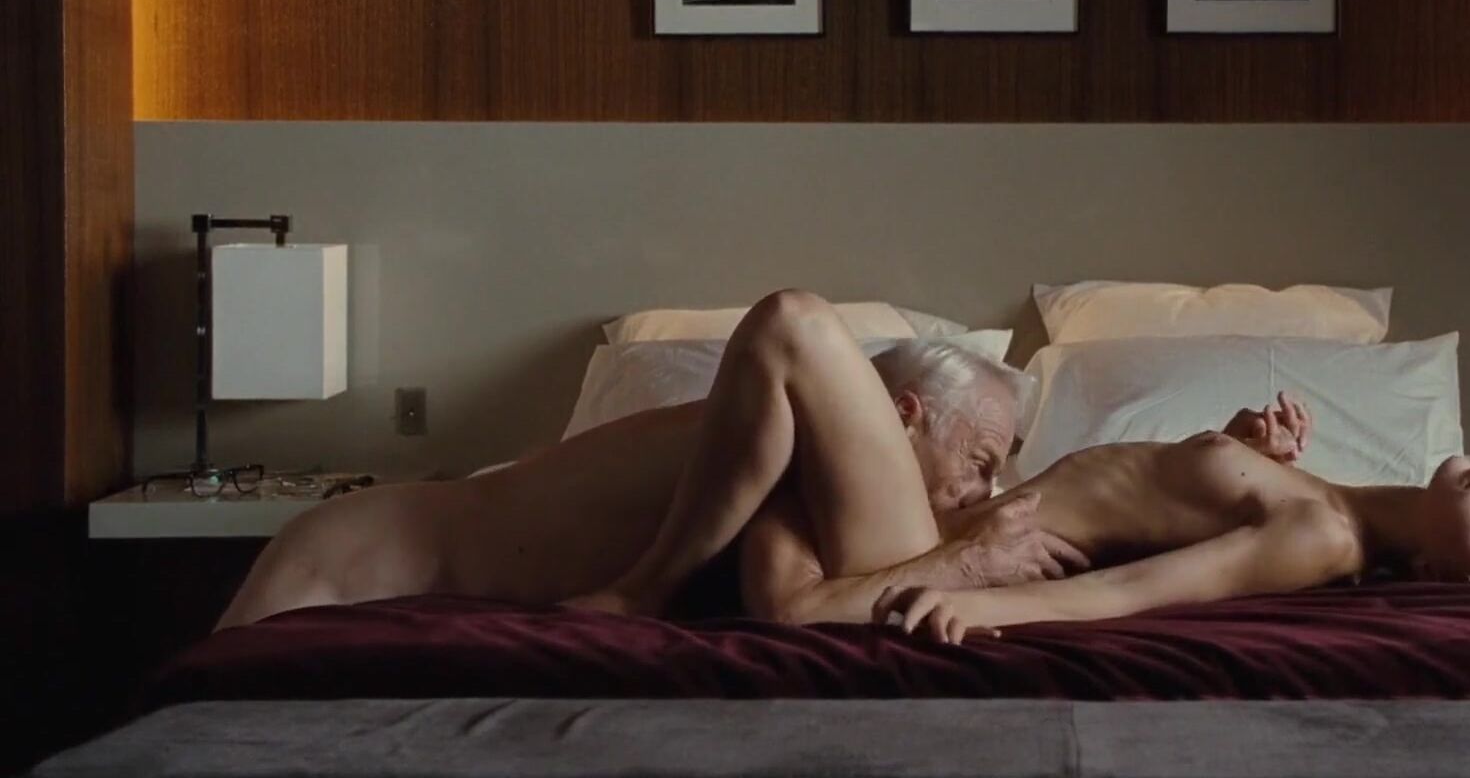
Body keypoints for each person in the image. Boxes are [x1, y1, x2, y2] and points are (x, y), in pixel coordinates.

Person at [215, 289, 1081, 631]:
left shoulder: (813, 504)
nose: (984, 488)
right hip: (365, 544)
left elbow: (805, 607)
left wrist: (963, 560)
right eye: (979, 460)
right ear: (898, 417)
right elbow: (789, 320)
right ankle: (644, 590)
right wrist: (965, 560)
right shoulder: (815, 428)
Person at [871, 402, 1470, 644]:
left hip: (919, 542)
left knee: (809, 333)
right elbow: (1151, 510)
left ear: (1432, 574)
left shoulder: (1324, 537)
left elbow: (1133, 590)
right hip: (946, 516)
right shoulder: (1334, 503)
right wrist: (1240, 449)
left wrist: (983, 602)